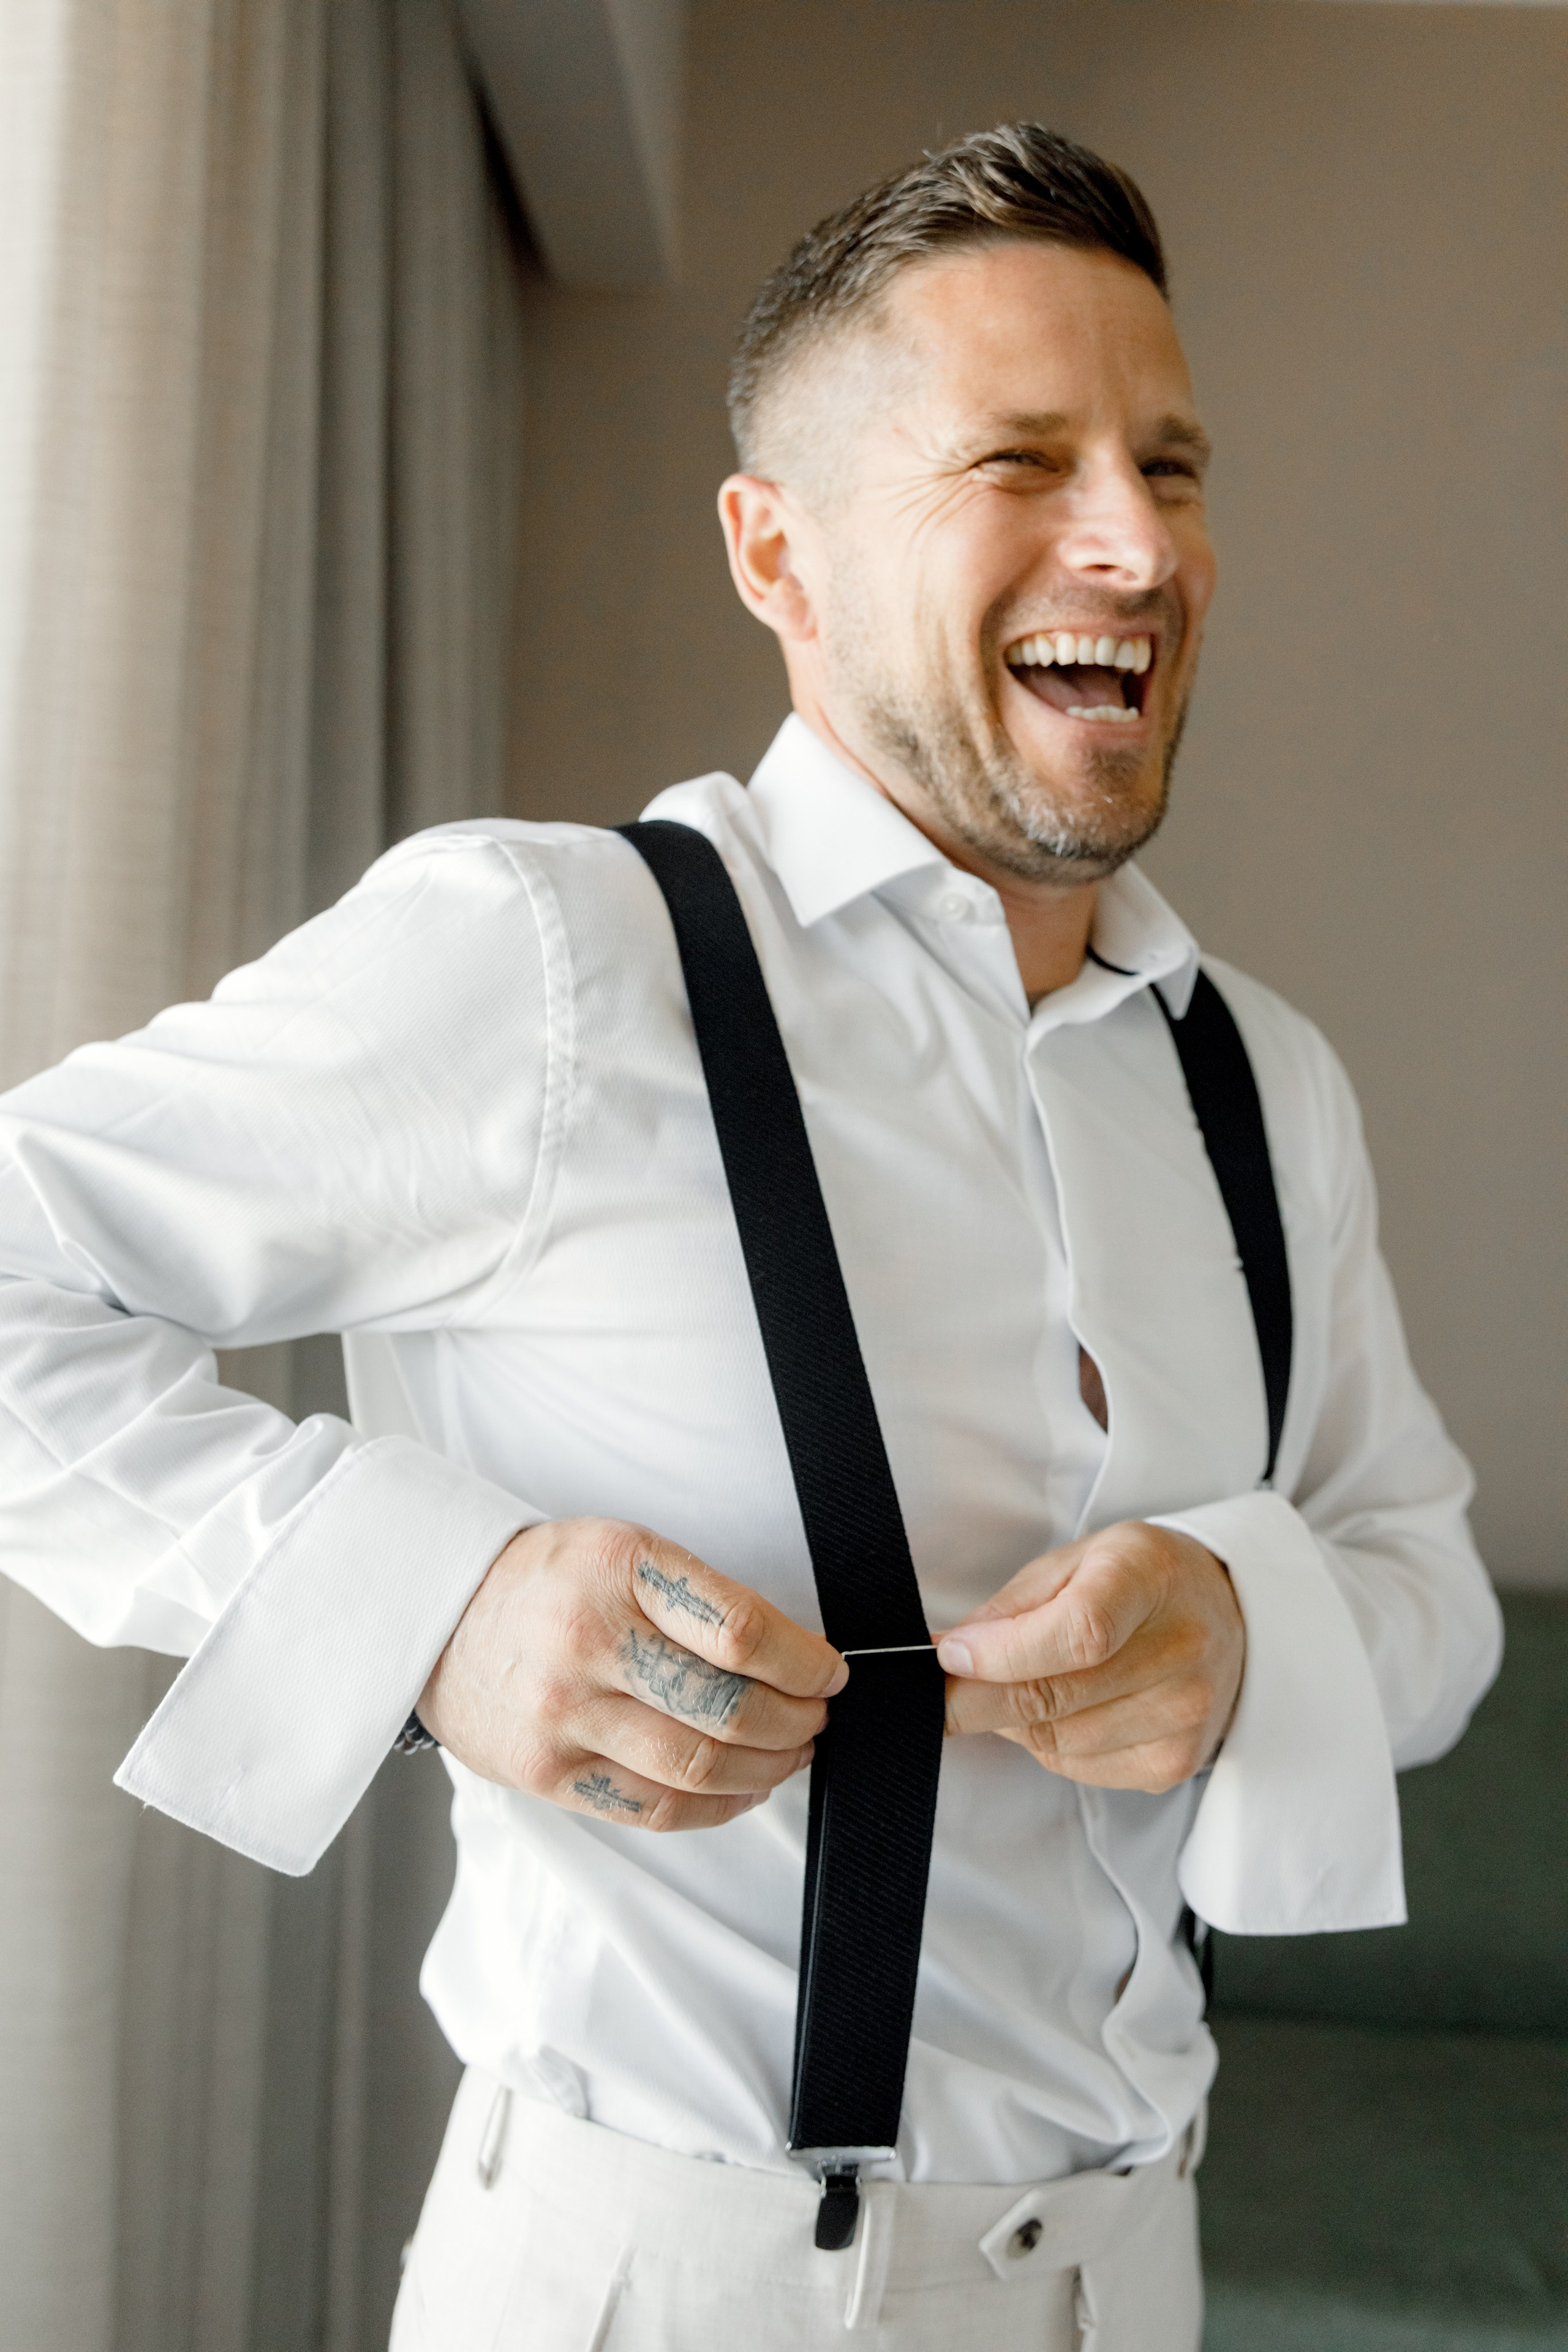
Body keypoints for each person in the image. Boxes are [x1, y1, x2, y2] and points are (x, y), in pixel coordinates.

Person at [0, 124, 1499, 2350]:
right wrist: (437, 1611)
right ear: (777, 555)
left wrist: (1249, 1642)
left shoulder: (1261, 1077)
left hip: (1136, 2277)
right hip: (657, 2291)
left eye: (1173, 469)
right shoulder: (546, 959)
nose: (1137, 541)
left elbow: (1431, 1601)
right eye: (1023, 457)